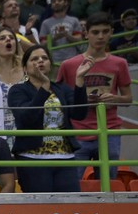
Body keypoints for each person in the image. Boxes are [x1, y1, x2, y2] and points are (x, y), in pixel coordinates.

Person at [57, 12, 132, 181]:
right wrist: (80, 101)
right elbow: (59, 99)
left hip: (109, 130)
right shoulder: (68, 65)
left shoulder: (120, 63)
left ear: (112, 32)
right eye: (96, 32)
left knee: (108, 183)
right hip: (78, 131)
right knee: (73, 183)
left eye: (105, 31)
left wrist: (113, 98)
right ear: (86, 34)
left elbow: (128, 98)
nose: (101, 36)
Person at [9, 45, 91, 193]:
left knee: (69, 209)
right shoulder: (18, 90)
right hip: (32, 159)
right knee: (40, 209)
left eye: (44, 58)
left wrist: (79, 81)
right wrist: (44, 89)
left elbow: (79, 114)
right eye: (34, 59)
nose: (40, 61)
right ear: (25, 68)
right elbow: (26, 118)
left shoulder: (62, 88)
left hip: (65, 158)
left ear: (50, 65)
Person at [38, 0, 82, 64]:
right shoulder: (45, 23)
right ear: (51, 5)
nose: (56, 3)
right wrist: (55, 38)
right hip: (55, 61)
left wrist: (67, 35)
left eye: (59, 0)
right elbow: (42, 44)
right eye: (54, 1)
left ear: (65, 2)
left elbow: (79, 39)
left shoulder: (74, 20)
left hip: (73, 59)